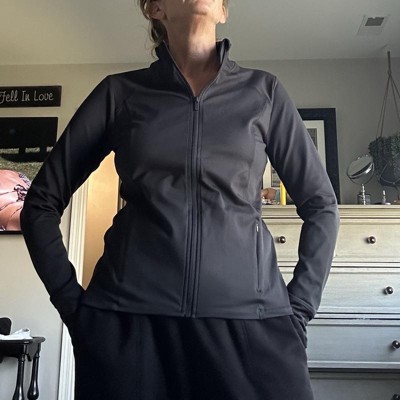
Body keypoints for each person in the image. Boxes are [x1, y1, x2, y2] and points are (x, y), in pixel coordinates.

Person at [20, 1, 340, 399]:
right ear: (156, 8)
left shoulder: (264, 92)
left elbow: (321, 205)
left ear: (223, 12)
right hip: (130, 328)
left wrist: (300, 310)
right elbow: (40, 203)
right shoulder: (119, 94)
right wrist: (74, 308)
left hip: (252, 325)